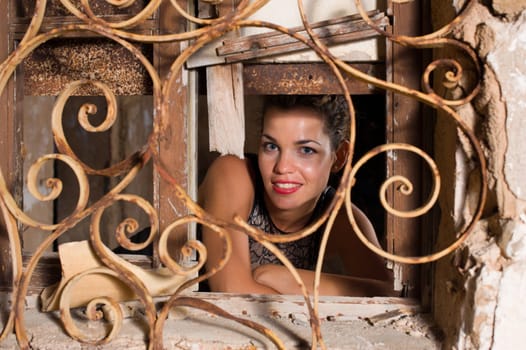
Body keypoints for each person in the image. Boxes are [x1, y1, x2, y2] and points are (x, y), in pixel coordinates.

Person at [198, 95, 394, 296]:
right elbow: (232, 292)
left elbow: (390, 293)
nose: (282, 167)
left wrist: (275, 276)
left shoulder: (340, 218)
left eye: (306, 150)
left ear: (339, 156)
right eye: (271, 146)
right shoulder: (232, 174)